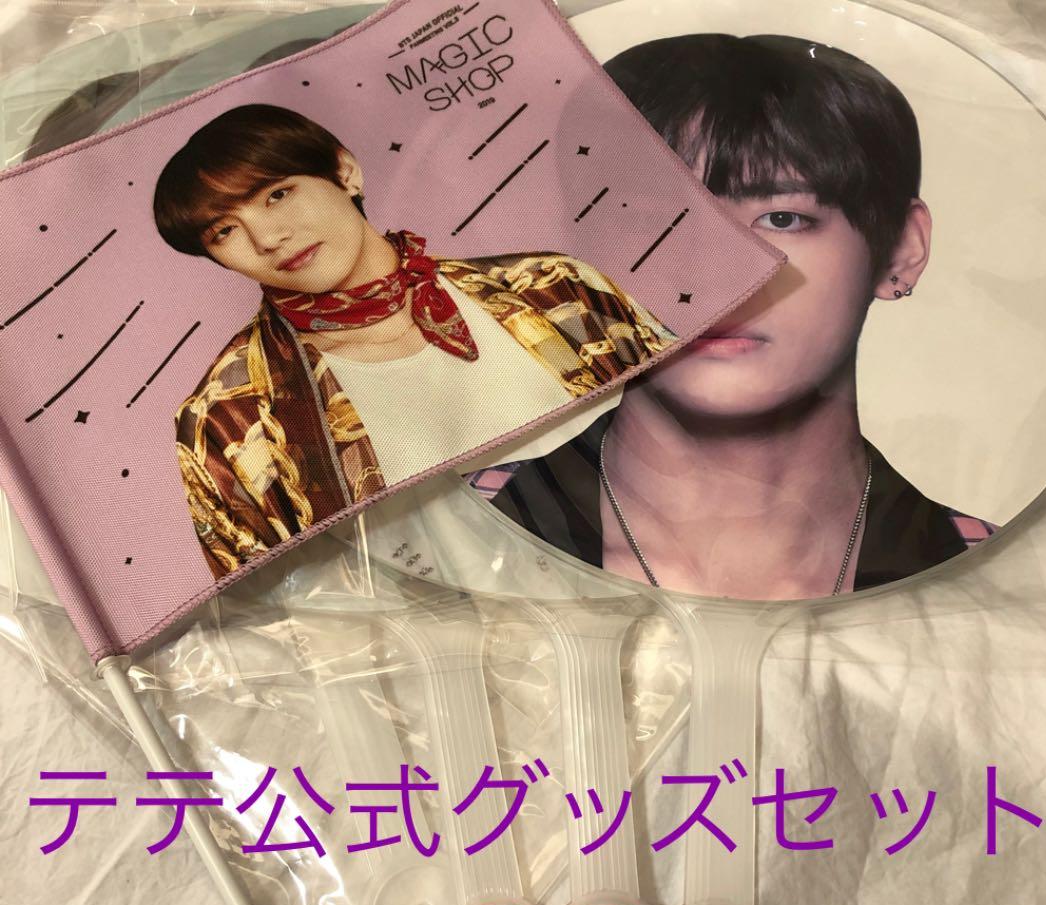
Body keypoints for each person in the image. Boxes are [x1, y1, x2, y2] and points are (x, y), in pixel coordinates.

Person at [475, 34, 995, 600]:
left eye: (782, 218)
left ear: (902, 250)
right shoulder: (447, 537)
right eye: (655, 219)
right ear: (576, 250)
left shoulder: (1008, 582)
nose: (714, 272)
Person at [153, 103, 673, 579]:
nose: (268, 239)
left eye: (278, 195)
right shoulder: (229, 415)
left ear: (344, 172)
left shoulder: (553, 288)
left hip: (681, 582)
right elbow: (274, 614)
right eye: (224, 231)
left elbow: (696, 430)